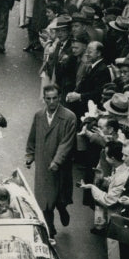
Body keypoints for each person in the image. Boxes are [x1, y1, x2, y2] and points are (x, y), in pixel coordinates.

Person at [25, 84, 78, 242]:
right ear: (44, 99)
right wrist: (30, 154)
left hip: (60, 167)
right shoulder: (39, 115)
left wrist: (57, 161)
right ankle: (50, 230)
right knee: (43, 200)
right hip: (42, 165)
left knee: (59, 197)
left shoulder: (69, 117)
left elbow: (66, 143)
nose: (51, 102)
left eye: (55, 98)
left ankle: (62, 209)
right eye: (48, 99)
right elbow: (32, 137)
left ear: (60, 98)